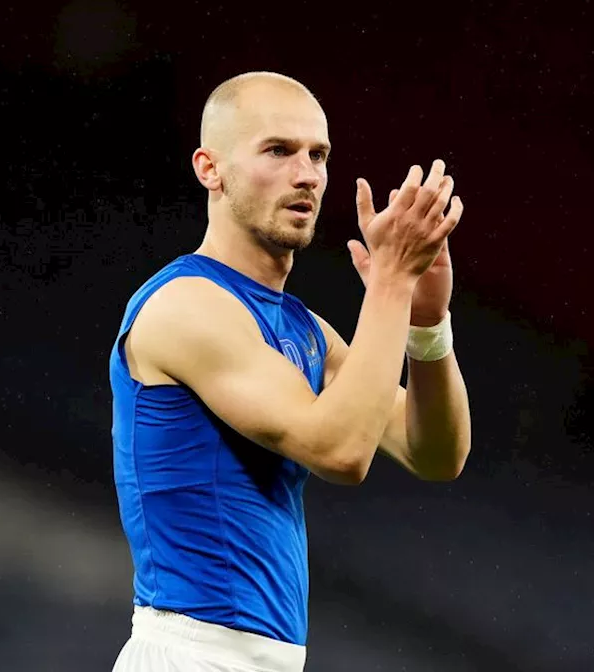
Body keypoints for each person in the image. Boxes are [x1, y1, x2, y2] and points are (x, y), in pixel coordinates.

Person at [108, 71, 473, 672]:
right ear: (210, 169)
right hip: (194, 654)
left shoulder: (301, 329)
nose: (306, 174)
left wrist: (426, 324)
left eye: (319, 155)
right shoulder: (184, 304)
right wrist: (389, 284)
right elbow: (339, 451)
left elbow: (434, 453)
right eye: (277, 151)